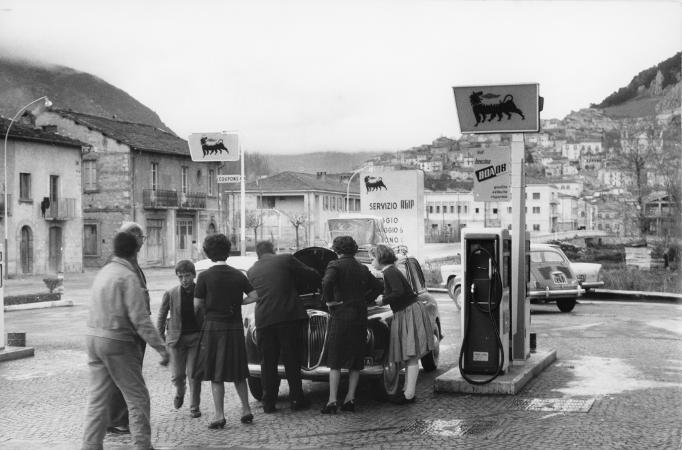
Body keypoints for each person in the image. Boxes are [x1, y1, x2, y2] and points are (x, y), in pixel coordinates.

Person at [82, 232, 169, 450]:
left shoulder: (103, 272)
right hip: (117, 340)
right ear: (135, 252)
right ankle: (142, 445)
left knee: (98, 399)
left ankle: (90, 446)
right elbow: (140, 319)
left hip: (93, 338)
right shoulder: (128, 276)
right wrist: (161, 348)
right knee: (137, 397)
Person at [193, 234, 258, 429]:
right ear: (227, 251)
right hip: (234, 326)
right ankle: (246, 409)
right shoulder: (238, 275)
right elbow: (255, 295)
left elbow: (197, 304)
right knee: (238, 370)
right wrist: (239, 302)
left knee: (216, 372)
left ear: (208, 253)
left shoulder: (204, 276)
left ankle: (219, 415)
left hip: (213, 327)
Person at [247, 240, 321, 413]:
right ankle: (296, 399)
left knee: (267, 362)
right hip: (287, 317)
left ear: (258, 254)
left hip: (263, 319)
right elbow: (312, 275)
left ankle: (268, 403)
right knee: (291, 358)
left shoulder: (251, 270)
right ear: (273, 250)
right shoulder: (285, 259)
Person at [320, 236, 383, 414]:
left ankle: (332, 401)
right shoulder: (361, 268)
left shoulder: (334, 265)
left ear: (336, 250)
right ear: (353, 249)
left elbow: (326, 282)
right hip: (359, 316)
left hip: (340, 316)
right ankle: (350, 399)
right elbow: (378, 287)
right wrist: (364, 300)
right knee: (355, 360)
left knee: (335, 360)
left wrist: (329, 301)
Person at [372, 244, 435, 405]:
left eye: (373, 258)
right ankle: (407, 390)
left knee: (411, 354)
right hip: (407, 311)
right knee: (410, 354)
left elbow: (398, 292)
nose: (372, 262)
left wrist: (383, 300)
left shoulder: (389, 272)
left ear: (380, 259)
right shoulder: (391, 271)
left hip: (407, 312)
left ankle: (409, 394)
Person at [107, 222, 150, 434]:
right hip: (129, 330)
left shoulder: (128, 261)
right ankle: (118, 420)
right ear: (134, 238)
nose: (143, 241)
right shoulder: (126, 263)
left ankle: (118, 418)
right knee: (128, 378)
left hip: (127, 329)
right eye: (142, 237)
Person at [157, 260, 202, 418]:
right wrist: (160, 339)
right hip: (176, 340)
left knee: (194, 374)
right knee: (177, 375)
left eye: (187, 276)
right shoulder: (171, 293)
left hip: (195, 339)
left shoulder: (200, 291)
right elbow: (161, 316)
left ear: (194, 275)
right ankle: (180, 392)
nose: (184, 280)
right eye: (180, 277)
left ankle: (194, 406)